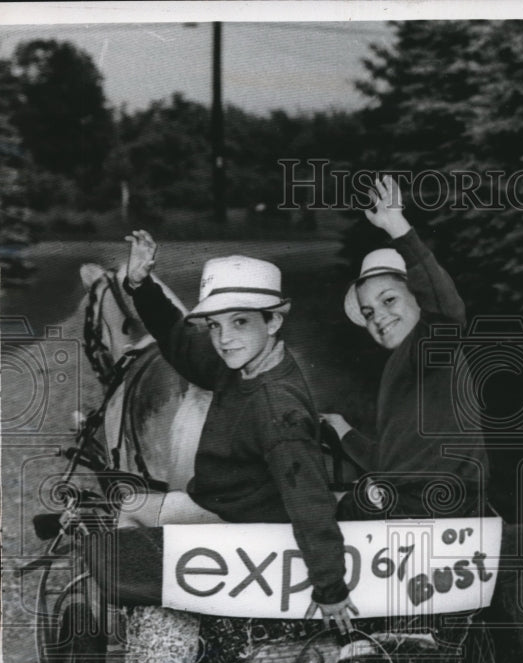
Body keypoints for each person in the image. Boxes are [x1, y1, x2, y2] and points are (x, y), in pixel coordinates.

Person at [121, 230, 357, 632]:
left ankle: (160, 627)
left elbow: (309, 500)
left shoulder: (276, 407)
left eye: (240, 322)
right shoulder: (246, 363)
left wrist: (330, 587)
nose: (224, 338)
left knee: (127, 510)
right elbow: (181, 342)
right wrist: (142, 286)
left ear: (274, 320)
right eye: (214, 325)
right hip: (235, 504)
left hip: (238, 518)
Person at [323, 175, 489, 519]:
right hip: (416, 501)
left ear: (419, 297)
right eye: (368, 313)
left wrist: (399, 227)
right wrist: (344, 433)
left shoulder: (433, 347)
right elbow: (395, 462)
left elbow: (447, 308)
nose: (379, 317)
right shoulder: (408, 363)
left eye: (389, 300)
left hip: (439, 509)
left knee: (315, 519)